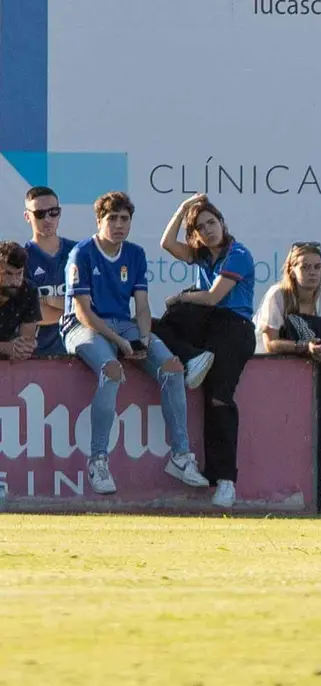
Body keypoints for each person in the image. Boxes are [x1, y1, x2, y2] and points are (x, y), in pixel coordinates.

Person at [62, 192, 208, 494]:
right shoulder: (82, 253)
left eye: (124, 219)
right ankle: (98, 461)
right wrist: (118, 341)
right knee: (111, 369)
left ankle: (180, 457)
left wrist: (142, 338)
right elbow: (83, 311)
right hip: (82, 326)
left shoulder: (135, 254)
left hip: (123, 324)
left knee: (172, 366)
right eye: (111, 219)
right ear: (99, 220)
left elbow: (142, 307)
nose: (118, 225)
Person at [155, 193, 259, 509]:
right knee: (154, 325)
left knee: (218, 399)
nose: (209, 230)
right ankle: (192, 357)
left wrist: (181, 298)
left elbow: (213, 298)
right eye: (201, 227)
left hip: (235, 328)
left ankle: (225, 481)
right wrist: (182, 210)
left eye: (212, 222)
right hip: (210, 326)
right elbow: (166, 244)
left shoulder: (238, 253)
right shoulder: (202, 254)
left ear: (222, 223)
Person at [254, 243, 321, 366]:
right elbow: (270, 344)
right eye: (305, 267)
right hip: (267, 367)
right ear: (292, 271)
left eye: (317, 267)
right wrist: (304, 347)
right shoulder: (277, 295)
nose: (312, 272)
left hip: (311, 369)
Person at [23, 186, 76, 357]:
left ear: (59, 213)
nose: (47, 219)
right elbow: (32, 313)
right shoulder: (20, 258)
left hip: (80, 355)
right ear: (27, 217)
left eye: (53, 212)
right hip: (38, 357)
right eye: (39, 214)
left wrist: (50, 300)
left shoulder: (78, 252)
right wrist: (79, 314)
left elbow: (94, 302)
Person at [0, 242, 41, 359]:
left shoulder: (28, 291)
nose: (14, 281)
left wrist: (24, 348)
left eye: (19, 274)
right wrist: (5, 347)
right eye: (7, 273)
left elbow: (27, 339)